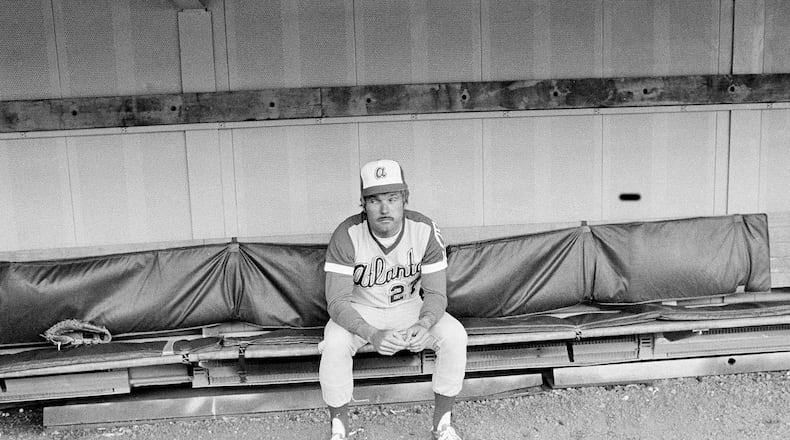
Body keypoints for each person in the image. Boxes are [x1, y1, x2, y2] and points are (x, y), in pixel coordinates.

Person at [319, 159, 468, 440]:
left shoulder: (424, 229)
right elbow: (337, 302)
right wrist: (371, 334)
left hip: (410, 307)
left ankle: (443, 424)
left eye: (392, 197)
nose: (385, 208)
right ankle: (339, 428)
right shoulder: (346, 233)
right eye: (375, 200)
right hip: (360, 309)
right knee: (335, 343)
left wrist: (425, 323)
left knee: (455, 335)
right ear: (363, 204)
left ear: (405, 198)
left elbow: (436, 294)